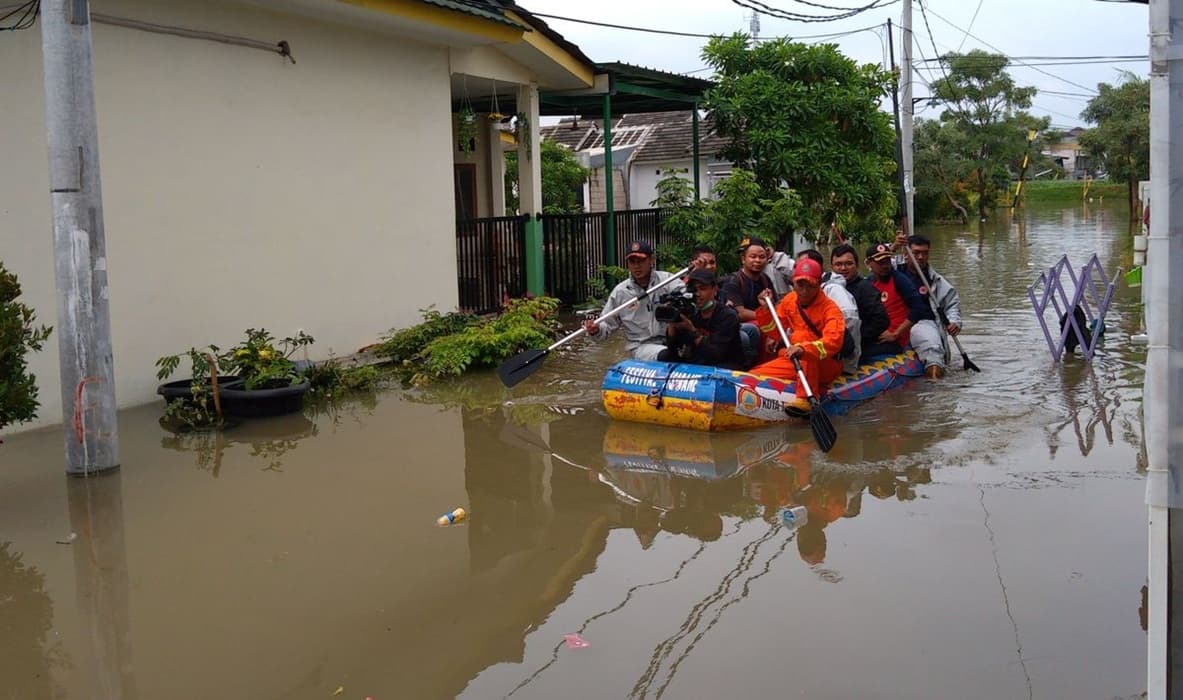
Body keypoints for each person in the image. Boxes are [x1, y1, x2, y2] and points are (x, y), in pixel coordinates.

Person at [749, 258, 846, 416]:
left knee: (802, 339)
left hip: (824, 364)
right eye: (800, 285)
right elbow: (775, 332)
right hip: (795, 359)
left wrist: (803, 349)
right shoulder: (790, 300)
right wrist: (766, 310)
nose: (805, 291)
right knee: (755, 376)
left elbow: (832, 343)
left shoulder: (831, 310)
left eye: (811, 285)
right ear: (793, 283)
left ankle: (806, 399)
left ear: (819, 284)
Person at [583, 240, 685, 360]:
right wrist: (596, 330)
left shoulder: (667, 281)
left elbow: (689, 296)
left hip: (672, 340)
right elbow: (606, 327)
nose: (637, 266)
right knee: (668, 355)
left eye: (641, 261)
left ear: (651, 260)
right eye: (632, 262)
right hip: (642, 347)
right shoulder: (620, 292)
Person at [893, 232, 963, 378]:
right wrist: (893, 247)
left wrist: (955, 322)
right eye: (916, 253)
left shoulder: (935, 281)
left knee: (933, 351)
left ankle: (934, 391)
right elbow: (875, 262)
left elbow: (952, 304)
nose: (920, 257)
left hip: (922, 323)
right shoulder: (892, 271)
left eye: (925, 253)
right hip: (893, 323)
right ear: (906, 254)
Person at [659, 268, 746, 369]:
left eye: (703, 289)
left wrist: (692, 330)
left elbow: (714, 355)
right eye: (694, 290)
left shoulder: (727, 316)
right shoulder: (690, 312)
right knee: (664, 356)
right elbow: (673, 350)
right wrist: (672, 323)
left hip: (723, 365)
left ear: (714, 290)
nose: (698, 294)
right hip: (697, 362)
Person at [863, 242, 933, 359]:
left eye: (887, 261)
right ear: (868, 263)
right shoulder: (868, 283)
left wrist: (895, 334)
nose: (885, 266)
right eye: (880, 263)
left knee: (862, 353)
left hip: (897, 339)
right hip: (878, 336)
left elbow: (918, 309)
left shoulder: (899, 280)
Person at [799, 249, 861, 373]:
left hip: (827, 357)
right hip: (805, 351)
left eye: (802, 265)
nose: (798, 268)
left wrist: (848, 364)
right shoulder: (797, 293)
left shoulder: (834, 290)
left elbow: (850, 321)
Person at [721, 236, 777, 365]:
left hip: (763, 322)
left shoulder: (765, 279)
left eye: (761, 257)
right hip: (741, 327)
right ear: (743, 259)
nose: (757, 260)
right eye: (753, 256)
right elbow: (740, 313)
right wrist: (766, 316)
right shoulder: (733, 281)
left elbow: (776, 305)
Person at [828, 243, 888, 362]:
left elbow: (881, 321)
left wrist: (856, 336)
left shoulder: (866, 289)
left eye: (848, 264)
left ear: (857, 265)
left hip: (860, 343)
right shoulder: (827, 288)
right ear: (832, 267)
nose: (843, 268)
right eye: (838, 264)